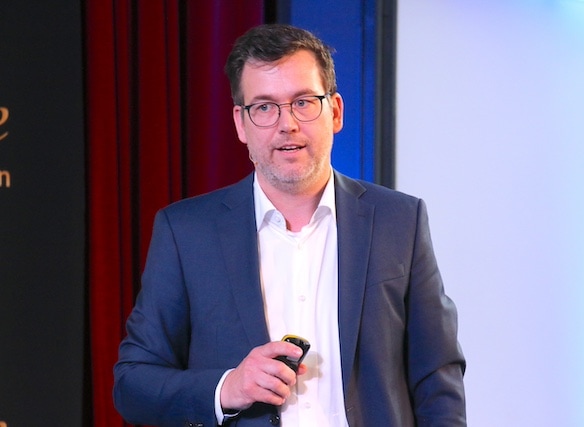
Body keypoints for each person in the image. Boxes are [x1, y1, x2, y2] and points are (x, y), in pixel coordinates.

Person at [113, 23, 466, 427]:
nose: (287, 124)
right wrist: (227, 388)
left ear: (335, 111)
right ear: (240, 123)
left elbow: (437, 375)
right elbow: (133, 385)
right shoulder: (186, 232)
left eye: (303, 102)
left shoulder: (399, 220)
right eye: (264, 107)